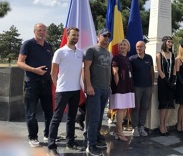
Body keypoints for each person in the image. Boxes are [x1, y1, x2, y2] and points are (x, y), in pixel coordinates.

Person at [47, 27, 84, 156]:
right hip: (62, 91)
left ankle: (70, 142)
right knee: (56, 118)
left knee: (72, 118)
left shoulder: (80, 52)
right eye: (73, 35)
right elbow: (53, 73)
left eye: (77, 35)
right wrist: (58, 87)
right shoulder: (60, 52)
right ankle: (51, 145)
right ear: (67, 36)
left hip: (75, 90)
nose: (76, 37)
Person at [17, 23, 53, 148]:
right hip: (32, 84)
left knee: (49, 112)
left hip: (46, 83)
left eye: (43, 30)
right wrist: (35, 70)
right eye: (39, 30)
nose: (41, 32)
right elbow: (20, 63)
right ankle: (33, 137)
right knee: (31, 113)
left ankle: (48, 134)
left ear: (46, 32)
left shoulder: (49, 46)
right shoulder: (28, 44)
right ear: (34, 31)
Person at [84, 28, 112, 155]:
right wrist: (88, 86)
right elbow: (86, 69)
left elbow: (108, 71)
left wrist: (109, 86)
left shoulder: (108, 53)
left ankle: (95, 136)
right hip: (94, 88)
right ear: (98, 37)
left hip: (105, 88)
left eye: (108, 36)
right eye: (104, 35)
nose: (106, 38)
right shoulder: (92, 50)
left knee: (100, 116)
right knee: (93, 117)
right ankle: (90, 144)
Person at [109, 39, 135, 142]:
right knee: (121, 110)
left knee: (124, 110)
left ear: (128, 48)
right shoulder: (116, 58)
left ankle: (116, 130)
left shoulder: (128, 58)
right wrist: (118, 86)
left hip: (128, 87)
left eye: (125, 45)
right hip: (120, 88)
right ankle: (120, 133)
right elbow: (115, 72)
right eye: (121, 45)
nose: (123, 46)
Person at [129, 41, 154, 137]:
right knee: (136, 107)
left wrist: (151, 85)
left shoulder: (149, 58)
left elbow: (151, 72)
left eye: (141, 47)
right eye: (137, 47)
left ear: (144, 47)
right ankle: (134, 127)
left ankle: (141, 127)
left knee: (145, 107)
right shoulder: (132, 59)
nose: (139, 48)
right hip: (136, 87)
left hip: (147, 87)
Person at [156, 36, 176, 136]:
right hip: (163, 82)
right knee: (163, 105)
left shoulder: (172, 55)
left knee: (169, 104)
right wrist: (166, 81)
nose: (170, 44)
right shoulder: (159, 55)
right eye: (168, 42)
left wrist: (173, 80)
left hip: (170, 81)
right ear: (164, 43)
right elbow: (159, 70)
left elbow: (173, 69)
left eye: (171, 42)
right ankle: (161, 125)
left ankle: (165, 124)